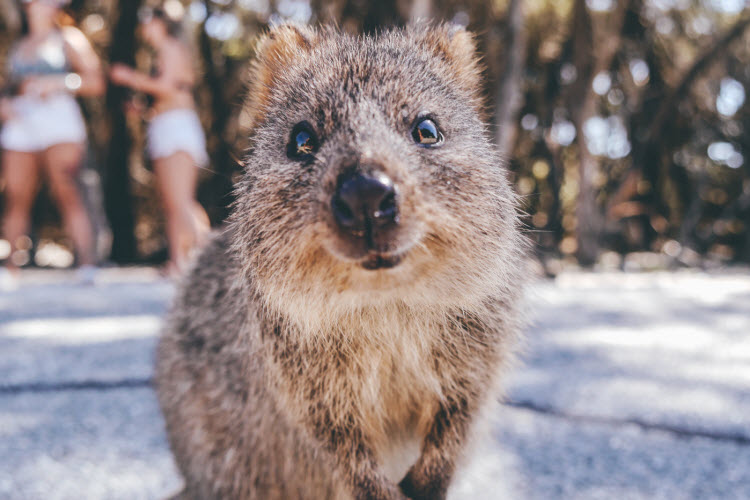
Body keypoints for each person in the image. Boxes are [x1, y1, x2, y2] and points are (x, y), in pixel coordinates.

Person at [0, 0, 104, 286]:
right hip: (22, 122)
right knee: (16, 195)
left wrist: (58, 83)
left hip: (59, 120)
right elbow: (9, 87)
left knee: (67, 189)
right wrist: (5, 104)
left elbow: (96, 82)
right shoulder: (18, 45)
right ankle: (9, 269)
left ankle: (86, 263)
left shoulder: (68, 38)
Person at [110, 5, 209, 276]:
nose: (143, 29)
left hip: (177, 128)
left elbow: (167, 87)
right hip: (167, 125)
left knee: (180, 200)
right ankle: (179, 262)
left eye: (147, 22)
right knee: (173, 201)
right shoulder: (165, 52)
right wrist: (143, 109)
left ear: (161, 23)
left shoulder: (171, 47)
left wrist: (128, 77)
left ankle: (206, 260)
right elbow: (168, 93)